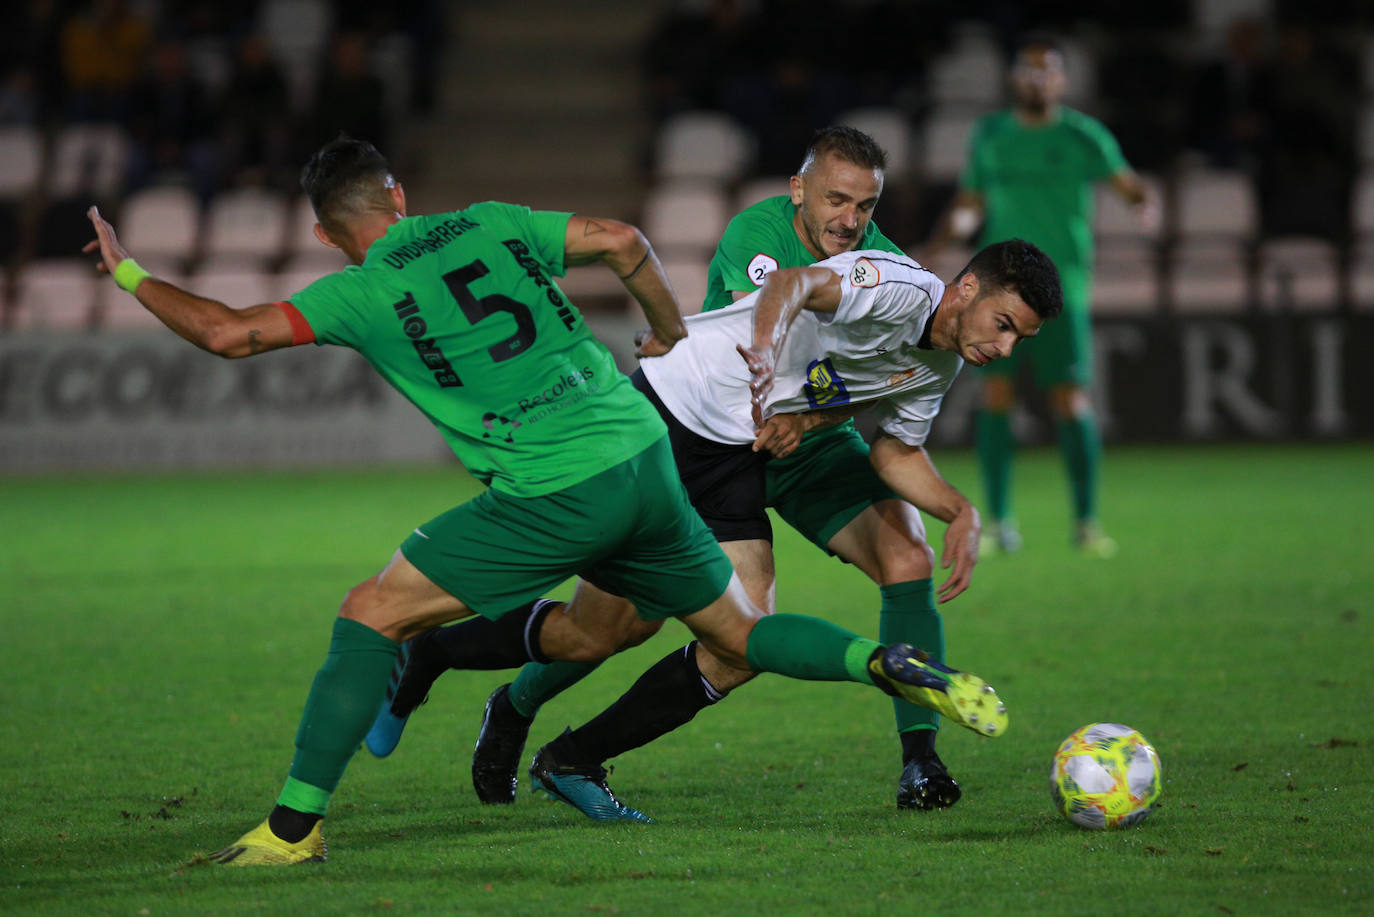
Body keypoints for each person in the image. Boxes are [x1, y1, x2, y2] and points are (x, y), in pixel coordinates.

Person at [82, 136, 1005, 865]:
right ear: (400, 196)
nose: (850, 217)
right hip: (649, 449)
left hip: (561, 486)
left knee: (370, 613)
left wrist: (127, 272)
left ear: (327, 233)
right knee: (717, 633)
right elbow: (620, 240)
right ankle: (879, 661)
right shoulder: (490, 221)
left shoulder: (358, 289)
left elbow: (227, 333)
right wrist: (665, 326)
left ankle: (291, 830)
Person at [374, 127, 983, 812]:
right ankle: (501, 696)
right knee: (611, 625)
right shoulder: (759, 235)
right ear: (798, 191)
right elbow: (759, 350)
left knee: (901, 559)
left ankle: (921, 760)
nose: (850, 220)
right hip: (719, 434)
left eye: (865, 206)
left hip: (804, 439)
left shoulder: (887, 270)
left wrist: (837, 432)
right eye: (836, 200)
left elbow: (878, 382)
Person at [927, 32, 1153, 557]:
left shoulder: (1082, 136)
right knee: (996, 396)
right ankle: (1000, 522)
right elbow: (969, 202)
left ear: (1061, 79)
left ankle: (1086, 522)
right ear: (1014, 79)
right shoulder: (992, 134)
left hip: (1060, 291)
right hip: (997, 290)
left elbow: (1126, 183)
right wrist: (944, 244)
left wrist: (1143, 203)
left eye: (1045, 70)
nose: (1035, 80)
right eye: (1027, 71)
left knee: (1070, 399)